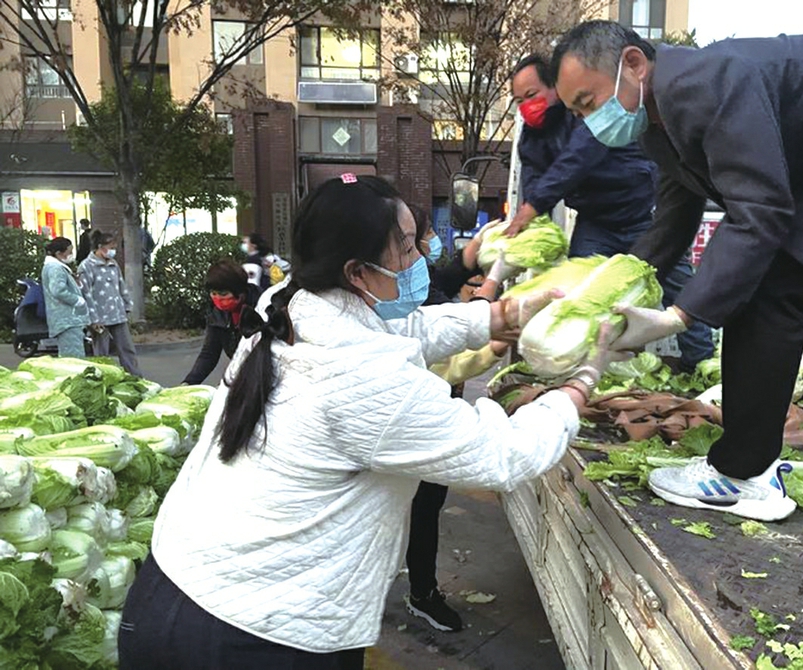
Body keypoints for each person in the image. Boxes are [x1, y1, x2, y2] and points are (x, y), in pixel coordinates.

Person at [118, 175, 622, 669]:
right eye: (406, 248)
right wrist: (577, 385)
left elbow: (402, 329)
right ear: (357, 272)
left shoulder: (290, 306)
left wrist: (496, 316)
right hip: (256, 636)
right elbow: (504, 455)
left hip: (175, 589)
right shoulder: (367, 380)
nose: (421, 260)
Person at [551, 21, 803, 521]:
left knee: (770, 293)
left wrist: (680, 315)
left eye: (588, 101)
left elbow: (761, 211)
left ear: (633, 63)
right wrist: (622, 286)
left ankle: (742, 475)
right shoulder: (658, 118)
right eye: (577, 112)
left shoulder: (707, 84)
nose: (588, 121)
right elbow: (676, 211)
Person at [507, 54, 714, 371]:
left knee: (678, 288)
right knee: (579, 295)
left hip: (642, 214)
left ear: (554, 87)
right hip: (595, 223)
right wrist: (531, 238)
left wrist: (532, 205)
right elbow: (534, 184)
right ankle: (591, 369)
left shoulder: (584, 112)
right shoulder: (532, 139)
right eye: (519, 100)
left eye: (532, 95)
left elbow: (578, 158)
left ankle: (699, 363)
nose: (526, 106)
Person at [403, 206, 509, 632]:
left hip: (430, 412)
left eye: (421, 235)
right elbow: (450, 358)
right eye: (416, 238)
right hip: (412, 419)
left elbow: (441, 283)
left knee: (426, 506)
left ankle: (421, 592)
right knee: (405, 506)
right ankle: (414, 591)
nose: (425, 245)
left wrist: (478, 255)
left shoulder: (409, 280)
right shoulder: (395, 302)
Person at [182, 260, 261, 385]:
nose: (218, 299)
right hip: (240, 372)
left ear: (240, 292)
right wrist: (189, 382)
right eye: (213, 294)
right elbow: (209, 354)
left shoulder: (263, 308)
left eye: (224, 294)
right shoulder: (216, 314)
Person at [78, 230, 143, 376]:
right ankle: (103, 380)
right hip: (100, 319)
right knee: (102, 354)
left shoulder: (113, 264)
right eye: (111, 247)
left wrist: (127, 305)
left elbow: (121, 286)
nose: (113, 251)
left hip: (118, 314)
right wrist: (93, 319)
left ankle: (136, 377)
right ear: (100, 246)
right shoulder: (86, 266)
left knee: (127, 349)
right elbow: (86, 294)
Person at [41, 237, 90, 358]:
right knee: (73, 358)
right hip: (67, 319)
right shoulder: (55, 268)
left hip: (67, 319)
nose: (71, 255)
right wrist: (77, 300)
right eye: (69, 252)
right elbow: (58, 291)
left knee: (70, 356)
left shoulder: (55, 267)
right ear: (58, 253)